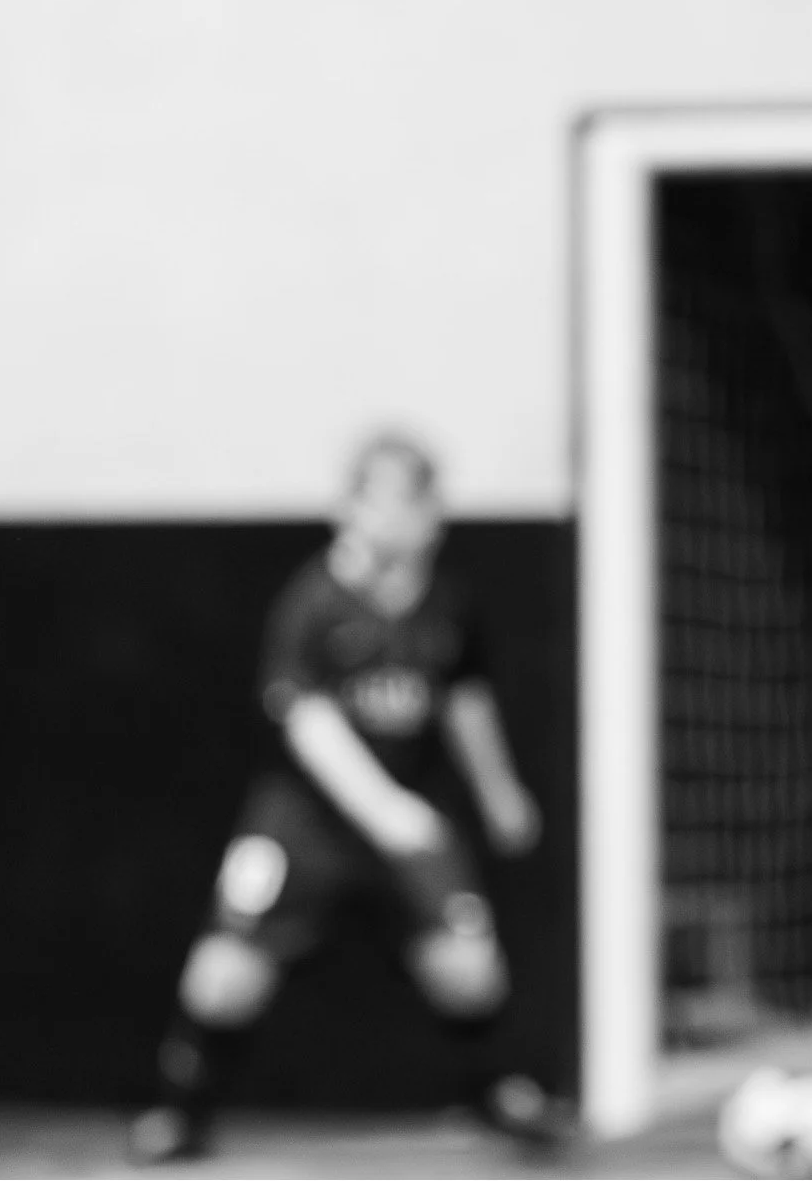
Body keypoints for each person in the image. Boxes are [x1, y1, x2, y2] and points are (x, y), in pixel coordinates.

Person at [129, 431, 559, 1162]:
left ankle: (498, 1094)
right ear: (351, 508)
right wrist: (381, 808)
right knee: (224, 973)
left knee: (468, 964)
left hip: (414, 815)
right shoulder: (313, 603)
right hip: (306, 824)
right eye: (391, 502)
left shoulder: (447, 603)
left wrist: (498, 792)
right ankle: (182, 1113)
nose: (410, 520)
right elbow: (309, 721)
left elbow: (465, 699)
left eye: (422, 502)